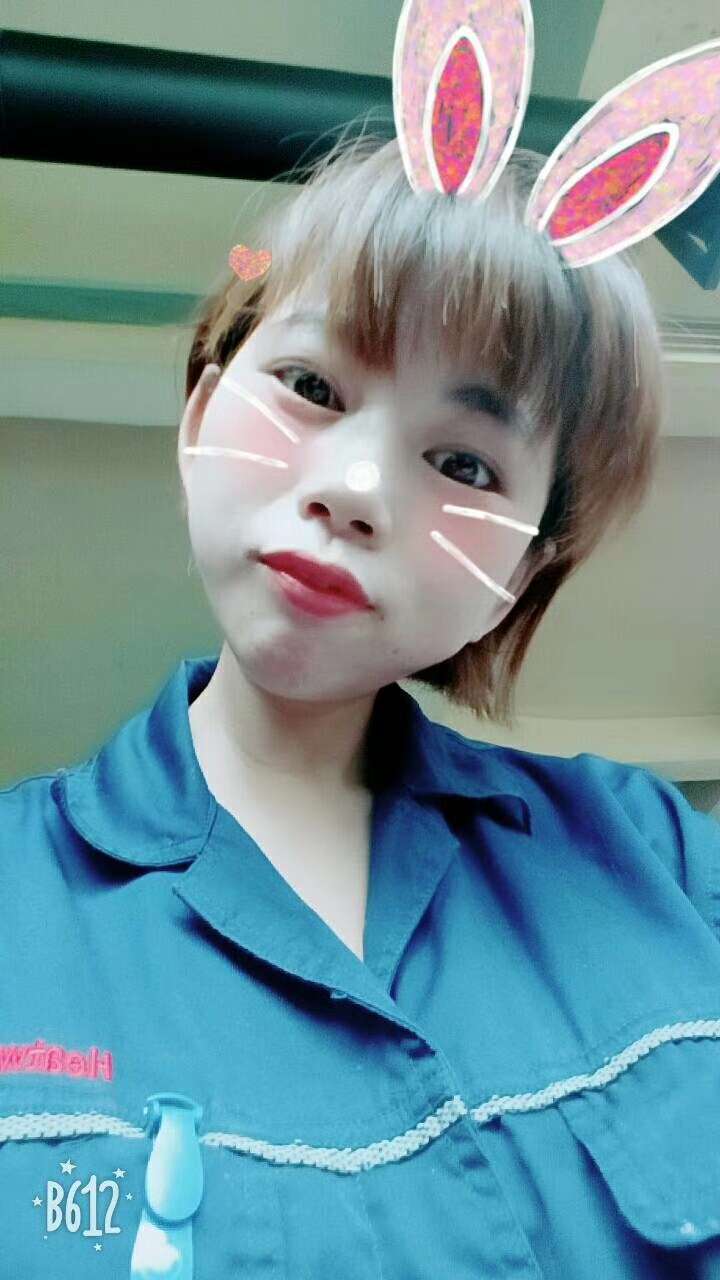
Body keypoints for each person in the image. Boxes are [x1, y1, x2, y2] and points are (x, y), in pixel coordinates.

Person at [3, 125, 720, 1278]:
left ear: (519, 574)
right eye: (312, 387)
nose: (354, 489)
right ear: (199, 413)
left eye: (464, 462)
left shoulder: (660, 856)